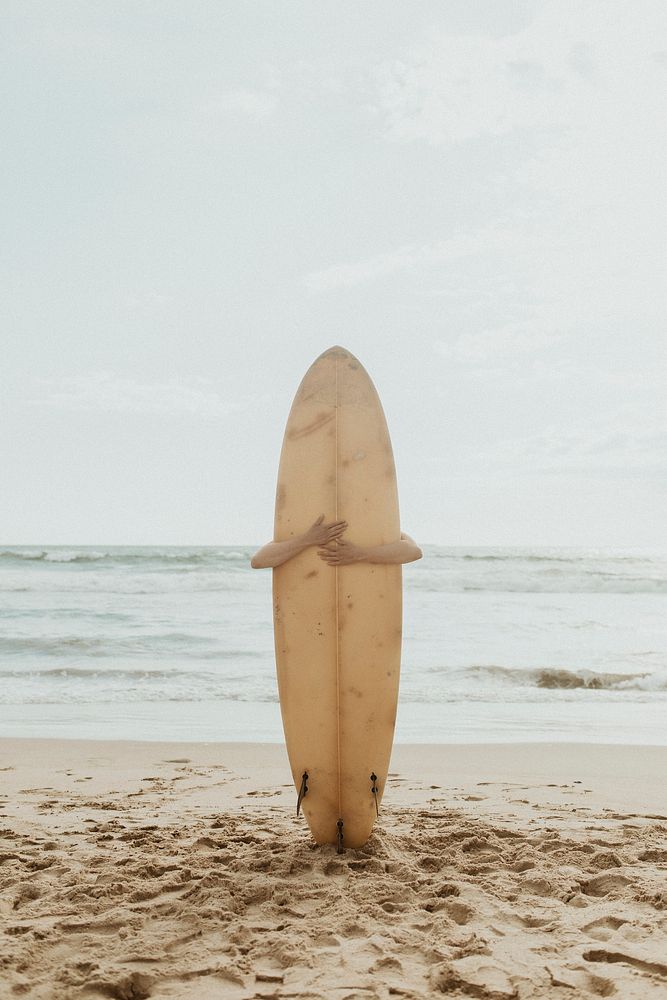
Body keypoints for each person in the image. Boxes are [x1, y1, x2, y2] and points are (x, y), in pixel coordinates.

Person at [250, 514, 422, 569]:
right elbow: (259, 561)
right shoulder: (310, 526)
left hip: (362, 599)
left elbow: (413, 552)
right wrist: (308, 539)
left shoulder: (371, 525)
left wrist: (361, 555)